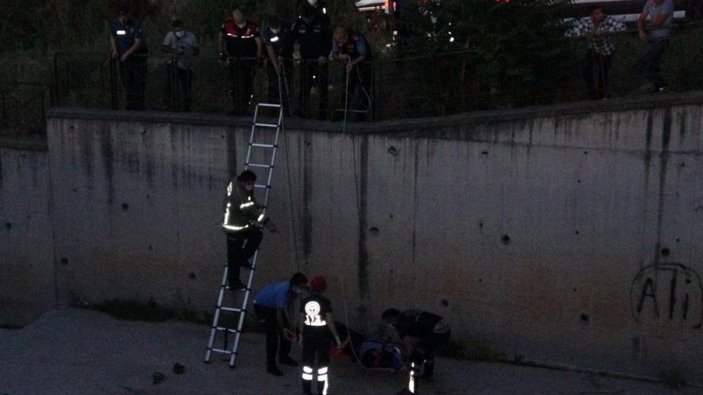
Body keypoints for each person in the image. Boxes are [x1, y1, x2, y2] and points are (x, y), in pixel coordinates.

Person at [221, 170, 275, 290]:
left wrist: (255, 204)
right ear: (244, 181)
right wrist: (267, 222)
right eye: (250, 183)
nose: (252, 186)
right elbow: (248, 209)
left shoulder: (239, 184)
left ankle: (243, 258)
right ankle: (234, 282)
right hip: (233, 227)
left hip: (241, 223)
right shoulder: (238, 193)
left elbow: (249, 198)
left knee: (256, 235)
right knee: (234, 257)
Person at [381, 308, 451, 393]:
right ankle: (428, 374)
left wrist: (408, 361)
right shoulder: (407, 313)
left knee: (414, 360)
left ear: (393, 320)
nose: (389, 325)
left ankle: (412, 390)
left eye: (388, 322)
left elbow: (409, 347)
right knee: (426, 349)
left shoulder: (401, 325)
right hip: (444, 328)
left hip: (437, 333)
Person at [253, 272, 309, 376]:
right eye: (301, 287)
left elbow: (290, 305)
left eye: (304, 287)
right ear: (294, 285)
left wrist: (291, 322)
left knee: (289, 331)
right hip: (262, 306)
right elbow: (279, 312)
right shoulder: (283, 291)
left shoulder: (295, 291)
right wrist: (282, 328)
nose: (303, 289)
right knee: (273, 336)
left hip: (274, 306)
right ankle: (271, 366)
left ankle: (284, 357)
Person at [564, 5, 626, 100]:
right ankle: (592, 94)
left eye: (601, 12)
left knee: (603, 73)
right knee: (586, 71)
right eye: (597, 13)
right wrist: (585, 34)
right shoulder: (586, 22)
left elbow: (622, 27)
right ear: (591, 15)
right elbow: (569, 33)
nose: (600, 15)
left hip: (607, 50)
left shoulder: (607, 20)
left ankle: (603, 95)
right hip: (594, 49)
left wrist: (605, 31)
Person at [298, 276, 342, 395]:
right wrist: (337, 337)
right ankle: (320, 391)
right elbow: (329, 321)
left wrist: (301, 335)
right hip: (323, 338)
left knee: (307, 365)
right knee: (322, 366)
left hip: (308, 337)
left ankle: (307, 392)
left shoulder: (304, 302)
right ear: (324, 288)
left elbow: (301, 320)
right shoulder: (326, 302)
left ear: (311, 287)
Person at [290, 1, 332, 120]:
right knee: (304, 86)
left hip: (320, 60)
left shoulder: (322, 21)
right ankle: (303, 110)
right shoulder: (298, 23)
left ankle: (323, 112)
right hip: (305, 60)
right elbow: (291, 38)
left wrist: (324, 55)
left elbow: (328, 41)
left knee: (322, 87)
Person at [219, 8, 263, 115]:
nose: (236, 20)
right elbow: (221, 36)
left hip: (248, 60)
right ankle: (236, 106)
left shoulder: (252, 26)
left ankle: (245, 107)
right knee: (234, 84)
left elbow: (258, 42)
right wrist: (221, 51)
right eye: (235, 18)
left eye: (238, 18)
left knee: (247, 83)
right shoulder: (228, 25)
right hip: (233, 59)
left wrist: (258, 56)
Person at [329, 26, 372, 121]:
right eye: (337, 40)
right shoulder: (336, 39)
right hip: (348, 64)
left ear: (345, 36)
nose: (339, 43)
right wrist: (341, 58)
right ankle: (341, 113)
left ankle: (361, 115)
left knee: (363, 88)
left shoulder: (356, 38)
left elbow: (363, 55)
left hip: (363, 65)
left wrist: (352, 63)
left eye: (341, 40)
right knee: (347, 88)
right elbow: (334, 54)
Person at [109, 8, 148, 111]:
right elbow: (113, 37)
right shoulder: (116, 24)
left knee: (138, 81)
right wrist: (114, 50)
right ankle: (130, 103)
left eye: (124, 17)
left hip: (136, 58)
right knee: (126, 81)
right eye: (121, 17)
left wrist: (127, 54)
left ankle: (139, 104)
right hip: (123, 59)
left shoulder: (135, 24)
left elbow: (138, 42)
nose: (123, 19)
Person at [635, 0, 675, 93]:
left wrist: (645, 25)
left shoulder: (668, 3)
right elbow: (641, 19)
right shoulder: (649, 2)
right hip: (652, 39)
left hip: (662, 39)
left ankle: (662, 84)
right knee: (652, 64)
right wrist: (641, 31)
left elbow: (658, 22)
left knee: (645, 64)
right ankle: (659, 87)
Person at [161, 19, 200, 111]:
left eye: (180, 29)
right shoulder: (170, 35)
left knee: (186, 85)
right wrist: (174, 51)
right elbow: (164, 47)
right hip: (173, 63)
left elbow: (196, 50)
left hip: (186, 65)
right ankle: (169, 104)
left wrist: (188, 51)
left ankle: (187, 105)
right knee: (170, 84)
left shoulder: (191, 36)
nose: (179, 32)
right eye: (176, 30)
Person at [262, 14, 294, 107]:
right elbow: (269, 48)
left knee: (286, 83)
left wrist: (283, 55)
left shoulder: (286, 27)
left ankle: (286, 107)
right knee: (273, 84)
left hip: (286, 58)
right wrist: (275, 64)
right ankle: (273, 107)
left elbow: (288, 42)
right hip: (273, 61)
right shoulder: (268, 32)